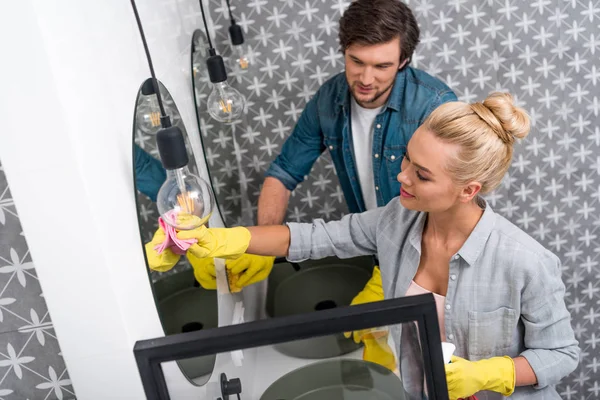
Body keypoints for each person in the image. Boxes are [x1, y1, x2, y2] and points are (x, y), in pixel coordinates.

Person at [175, 93, 579, 399]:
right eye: (406, 160)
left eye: (421, 175)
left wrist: (492, 373)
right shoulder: (396, 219)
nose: (402, 176)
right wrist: (226, 240)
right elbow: (315, 237)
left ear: (467, 190)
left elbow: (561, 354)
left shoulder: (525, 261)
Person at [219, 0, 458, 294]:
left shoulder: (435, 105)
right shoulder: (327, 101)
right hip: (377, 253)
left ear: (403, 61)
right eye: (356, 61)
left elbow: (453, 202)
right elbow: (282, 174)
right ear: (344, 51)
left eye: (382, 66)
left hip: (428, 265)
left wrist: (404, 275)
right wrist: (263, 243)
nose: (366, 79)